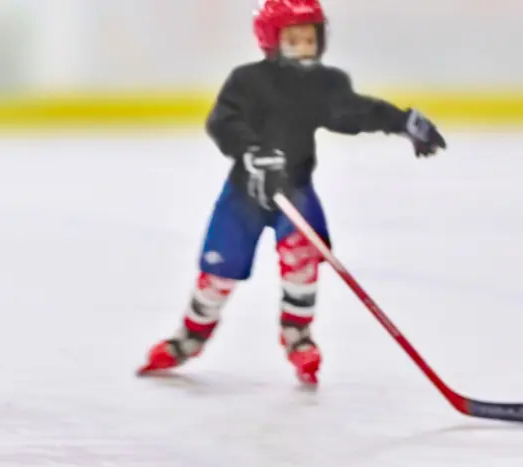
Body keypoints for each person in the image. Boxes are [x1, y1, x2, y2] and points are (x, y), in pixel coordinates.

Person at [137, 0, 446, 385]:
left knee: (302, 260)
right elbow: (223, 119)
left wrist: (403, 122)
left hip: (294, 189)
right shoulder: (247, 80)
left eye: (309, 37)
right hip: (244, 194)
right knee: (219, 271)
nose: (304, 46)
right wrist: (251, 150)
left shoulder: (324, 84)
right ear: (271, 40)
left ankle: (297, 334)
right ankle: (191, 336)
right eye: (293, 38)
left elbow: (353, 111)